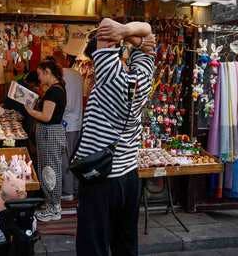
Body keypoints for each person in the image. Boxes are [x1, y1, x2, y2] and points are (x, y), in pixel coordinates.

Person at [75, 18, 156, 256]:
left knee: (93, 245)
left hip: (100, 176)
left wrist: (123, 32)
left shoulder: (109, 77)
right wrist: (131, 34)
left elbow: (106, 24)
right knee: (126, 243)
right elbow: (148, 35)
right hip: (129, 176)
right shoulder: (143, 77)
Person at [24, 60, 67, 222]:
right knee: (48, 168)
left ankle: (54, 207)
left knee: (50, 170)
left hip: (50, 134)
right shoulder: (56, 89)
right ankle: (51, 203)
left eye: (41, 74)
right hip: (50, 134)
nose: (39, 78)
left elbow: (46, 116)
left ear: (48, 72)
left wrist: (30, 110)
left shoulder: (54, 92)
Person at [48, 54, 84, 201]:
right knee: (74, 157)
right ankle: (75, 187)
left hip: (66, 123)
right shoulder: (78, 75)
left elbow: (65, 103)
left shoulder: (62, 75)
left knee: (64, 158)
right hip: (77, 121)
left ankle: (68, 191)